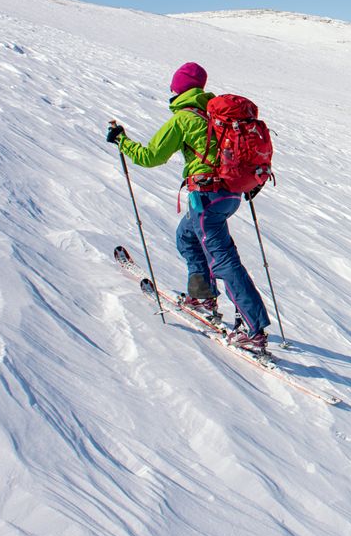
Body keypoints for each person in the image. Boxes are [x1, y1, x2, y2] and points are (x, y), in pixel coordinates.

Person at [107, 62, 271, 353]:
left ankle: (252, 329)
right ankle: (202, 296)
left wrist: (122, 141)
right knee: (187, 236)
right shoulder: (214, 114)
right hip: (229, 195)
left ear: (178, 88)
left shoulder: (184, 119)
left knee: (222, 259)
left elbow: (150, 157)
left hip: (206, 196)